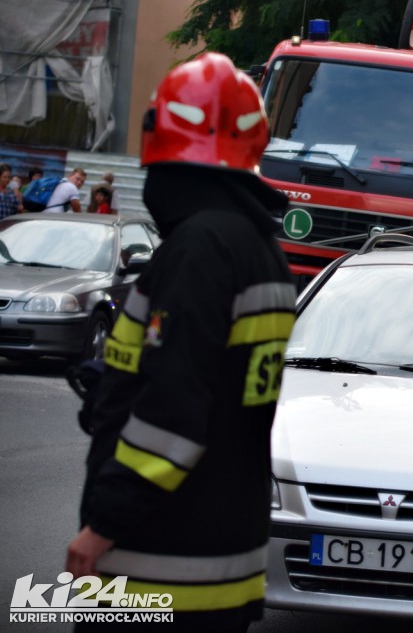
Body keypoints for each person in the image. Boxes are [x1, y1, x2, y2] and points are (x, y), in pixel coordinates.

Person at [65, 52, 297, 632]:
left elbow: (176, 415)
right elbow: (217, 387)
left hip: (158, 564)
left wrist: (102, 528)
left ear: (158, 143)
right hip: (222, 559)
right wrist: (116, 383)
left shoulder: (198, 249)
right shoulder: (258, 248)